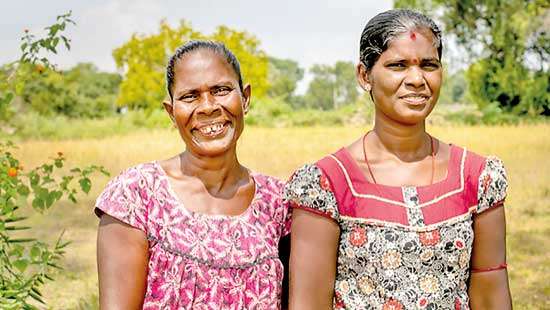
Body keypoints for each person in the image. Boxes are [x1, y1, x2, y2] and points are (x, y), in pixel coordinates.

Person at [284, 9, 512, 309]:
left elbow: (491, 294)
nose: (417, 79)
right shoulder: (325, 184)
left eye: (429, 65)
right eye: (398, 65)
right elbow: (308, 304)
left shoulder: (477, 177)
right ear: (365, 76)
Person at [95, 41, 291, 309]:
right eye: (190, 96)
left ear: (245, 98)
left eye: (221, 90)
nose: (208, 106)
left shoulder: (278, 202)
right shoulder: (136, 195)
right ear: (171, 112)